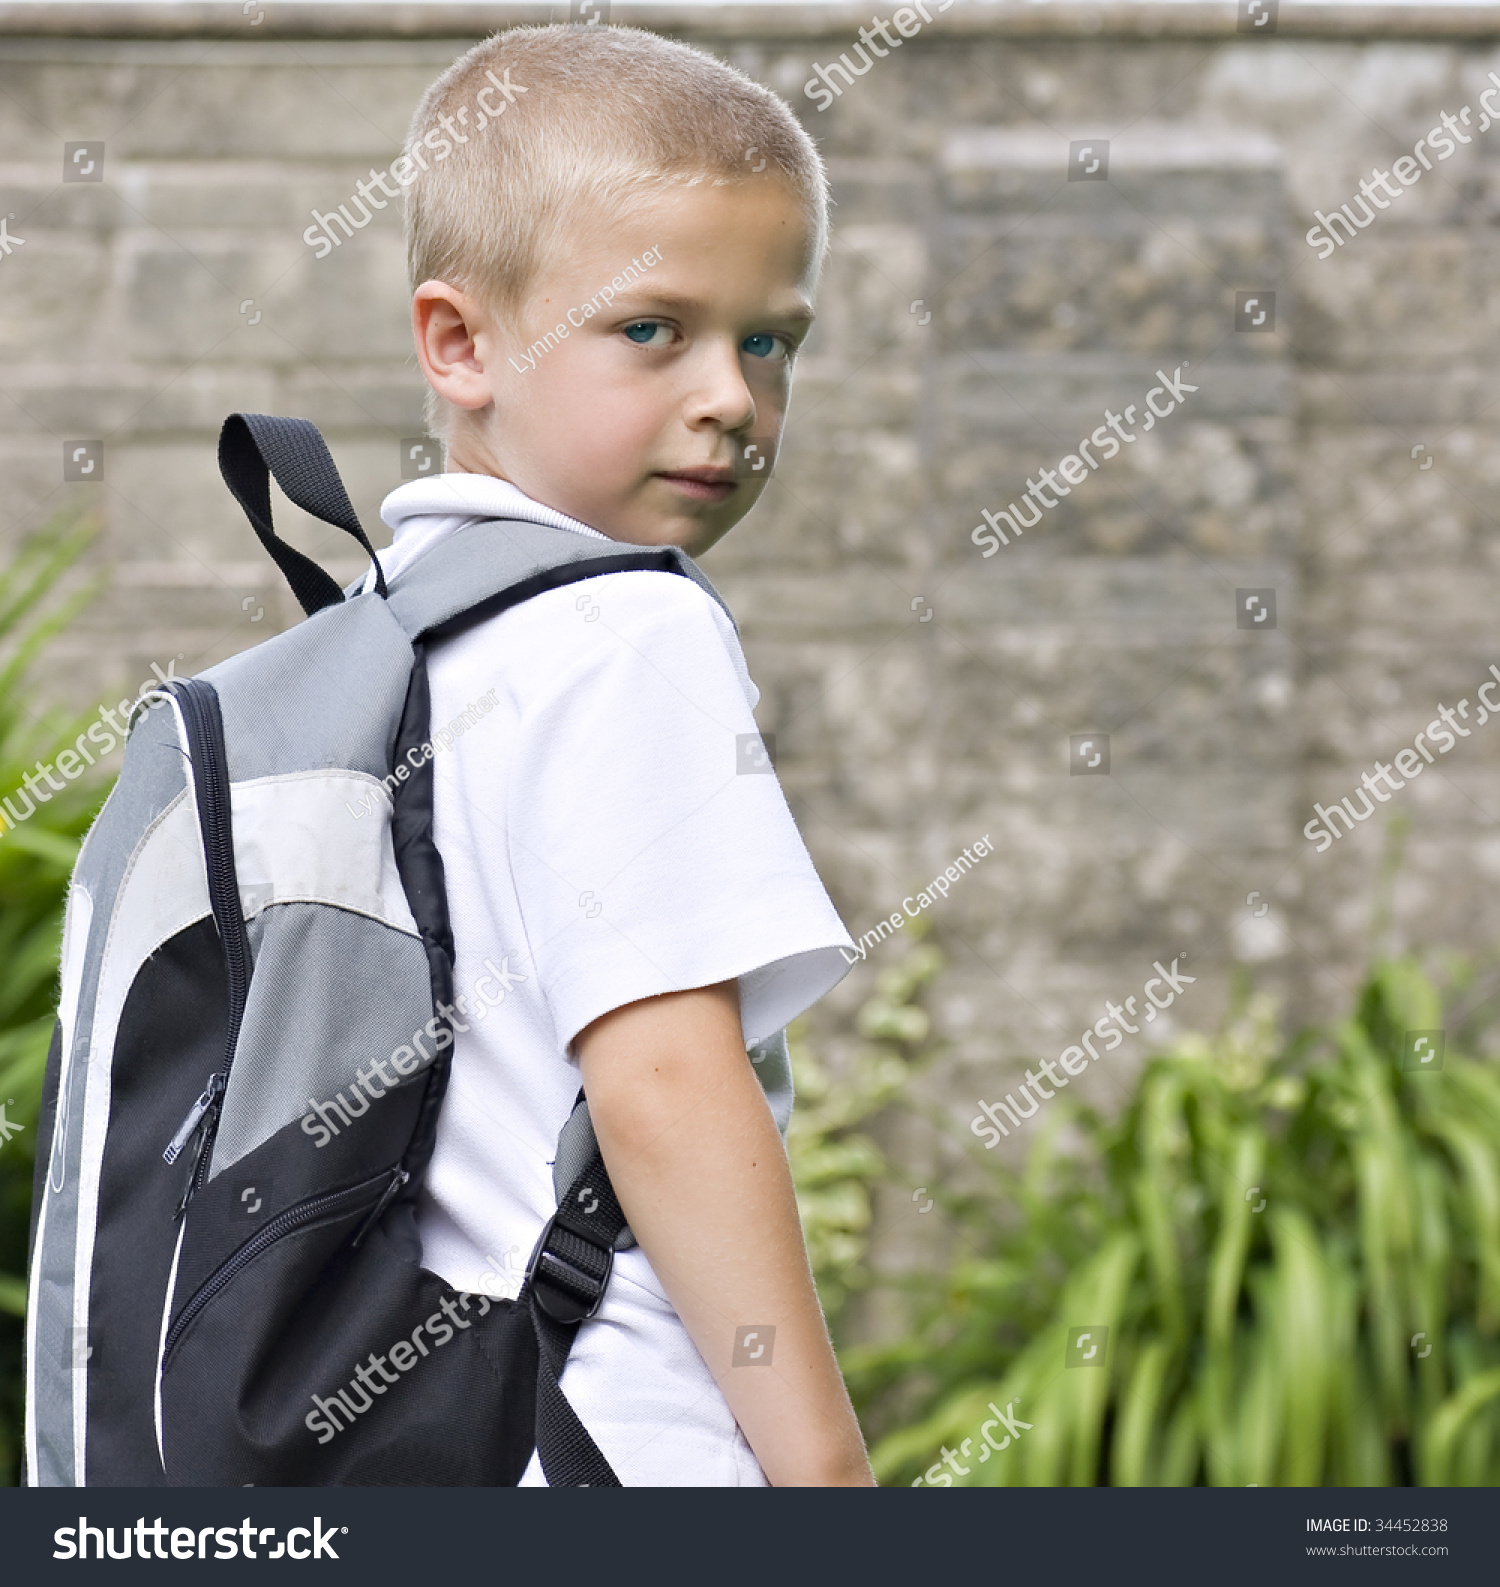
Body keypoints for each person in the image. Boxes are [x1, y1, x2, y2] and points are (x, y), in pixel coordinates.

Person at [362, 22, 875, 1486]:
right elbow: (659, 1081)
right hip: (618, 1442)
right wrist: (831, 1484)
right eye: (654, 329)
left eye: (768, 340)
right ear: (461, 343)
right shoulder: (623, 632)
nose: (729, 393)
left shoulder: (386, 638)